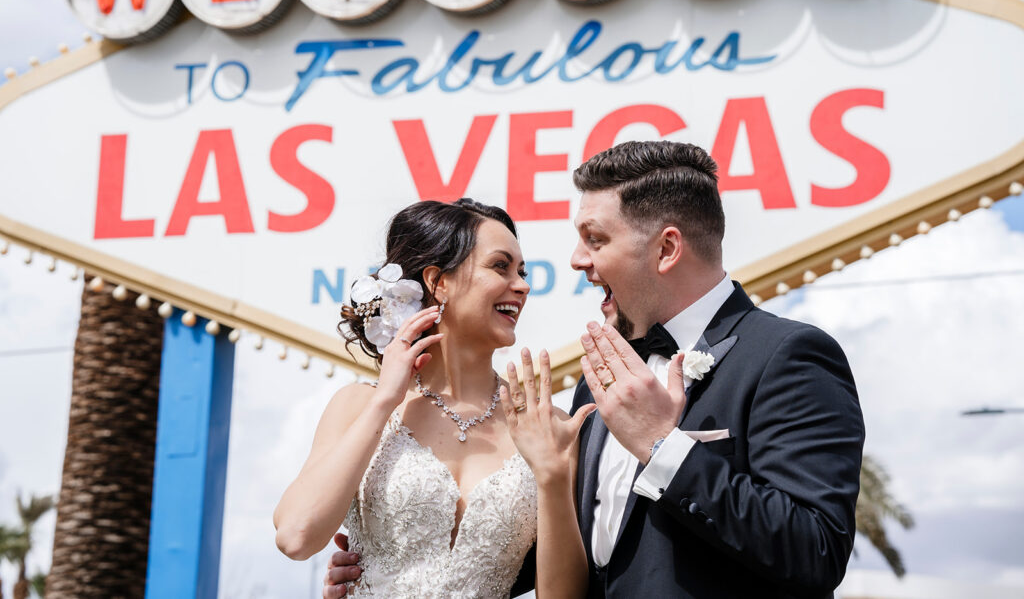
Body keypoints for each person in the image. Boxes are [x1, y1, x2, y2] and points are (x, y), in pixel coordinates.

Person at [325, 141, 865, 598]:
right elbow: (554, 551)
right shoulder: (601, 377)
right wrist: (391, 561)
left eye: (596, 239)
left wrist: (663, 444)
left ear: (667, 248)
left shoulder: (787, 356)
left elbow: (814, 549)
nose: (577, 260)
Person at [274, 198, 594, 598]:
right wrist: (385, 400)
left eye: (522, 271)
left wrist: (550, 475)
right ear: (437, 282)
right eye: (501, 266)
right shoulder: (360, 405)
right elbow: (296, 537)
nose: (523, 285)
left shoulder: (547, 426)